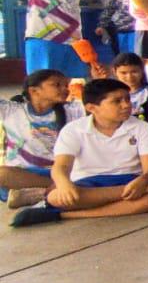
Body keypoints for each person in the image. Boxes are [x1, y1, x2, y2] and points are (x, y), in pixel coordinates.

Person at [10, 79, 148, 227]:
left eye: (127, 99)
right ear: (92, 108)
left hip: (129, 182)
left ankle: (64, 215)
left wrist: (144, 180)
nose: (126, 105)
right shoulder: (74, 130)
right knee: (57, 196)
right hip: (87, 184)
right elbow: (61, 166)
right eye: (117, 101)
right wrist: (64, 184)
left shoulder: (141, 128)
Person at [0, 70, 87, 206]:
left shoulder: (75, 110)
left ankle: (42, 194)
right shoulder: (10, 110)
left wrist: (99, 79)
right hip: (23, 175)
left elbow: (102, 103)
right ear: (34, 91)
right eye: (57, 85)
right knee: (2, 175)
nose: (65, 89)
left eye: (66, 85)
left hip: (64, 172)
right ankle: (58, 190)